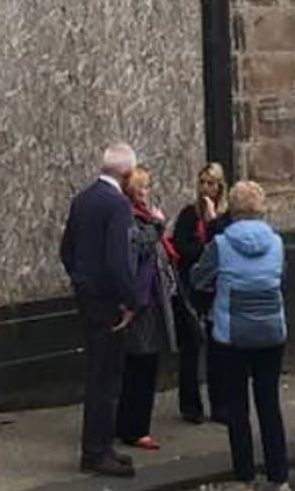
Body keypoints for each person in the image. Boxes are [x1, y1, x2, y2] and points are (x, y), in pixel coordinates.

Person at [191, 180, 290, 491]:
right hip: (272, 332)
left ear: (232, 210)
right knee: (269, 405)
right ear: (261, 209)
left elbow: (199, 279)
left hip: (232, 335)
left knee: (238, 408)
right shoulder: (276, 242)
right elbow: (280, 277)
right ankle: (280, 478)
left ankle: (245, 477)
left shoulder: (220, 245)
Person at [59, 143, 139, 478]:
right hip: (107, 301)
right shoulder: (118, 205)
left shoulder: (83, 199)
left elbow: (67, 249)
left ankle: (102, 447)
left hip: (88, 294)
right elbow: (118, 259)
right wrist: (131, 300)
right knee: (106, 378)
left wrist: (80, 281)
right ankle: (96, 451)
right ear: (127, 174)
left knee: (98, 373)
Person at [116, 167, 179, 451]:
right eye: (142, 187)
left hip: (149, 301)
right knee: (141, 364)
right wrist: (158, 226)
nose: (146, 192)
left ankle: (129, 424)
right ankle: (135, 428)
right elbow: (139, 251)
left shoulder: (138, 216)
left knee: (139, 365)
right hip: (142, 304)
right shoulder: (134, 219)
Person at [172, 162, 233, 423]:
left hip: (217, 289)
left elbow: (223, 248)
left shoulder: (226, 217)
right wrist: (201, 247)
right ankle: (190, 406)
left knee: (219, 349)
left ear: (221, 187)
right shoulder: (188, 214)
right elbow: (183, 248)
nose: (206, 188)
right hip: (191, 288)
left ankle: (220, 405)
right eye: (202, 183)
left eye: (211, 183)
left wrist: (212, 224)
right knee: (191, 348)